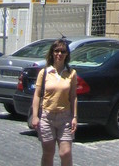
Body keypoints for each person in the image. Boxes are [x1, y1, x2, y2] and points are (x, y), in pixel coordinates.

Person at [31, 38, 78, 166]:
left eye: (63, 51)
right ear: (52, 53)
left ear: (67, 54)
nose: (59, 54)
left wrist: (74, 117)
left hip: (65, 117)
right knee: (48, 153)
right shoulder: (44, 73)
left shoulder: (71, 73)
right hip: (47, 117)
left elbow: (73, 96)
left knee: (65, 153)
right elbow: (37, 95)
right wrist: (35, 116)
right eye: (57, 51)